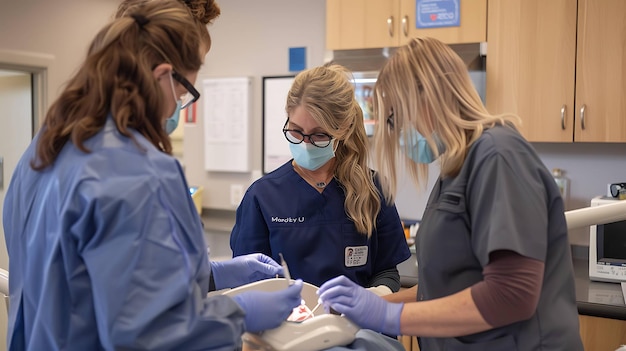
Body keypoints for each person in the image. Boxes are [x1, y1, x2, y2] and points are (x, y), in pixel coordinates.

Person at [2, 2, 303, 350]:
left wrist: (210, 275)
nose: (177, 105)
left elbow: (90, 277)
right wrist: (237, 313)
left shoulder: (43, 150)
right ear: (162, 76)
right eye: (182, 93)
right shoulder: (138, 172)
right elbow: (149, 334)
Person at [317, 37, 584, 351]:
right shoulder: (456, 170)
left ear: (429, 96)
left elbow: (511, 294)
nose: (398, 129)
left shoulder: (499, 156)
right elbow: (447, 290)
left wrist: (389, 315)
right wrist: (369, 303)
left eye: (396, 116)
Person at [230, 63, 411, 294]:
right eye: (295, 131)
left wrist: (375, 297)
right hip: (287, 326)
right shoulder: (262, 196)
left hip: (356, 327)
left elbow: (386, 271)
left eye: (319, 135)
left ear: (343, 130)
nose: (305, 143)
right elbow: (247, 280)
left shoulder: (373, 190)